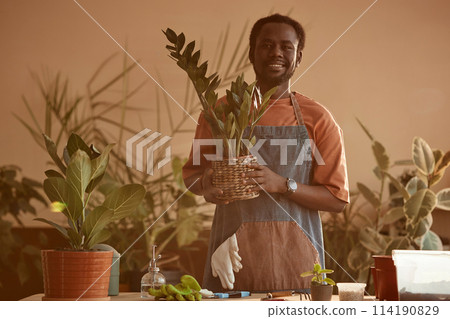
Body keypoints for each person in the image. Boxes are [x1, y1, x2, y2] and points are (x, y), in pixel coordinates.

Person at [182, 13, 349, 292]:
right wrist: (206, 186)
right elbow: (193, 177)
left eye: (286, 47)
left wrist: (283, 185)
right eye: (267, 44)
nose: (276, 53)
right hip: (231, 258)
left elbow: (337, 199)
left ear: (298, 58)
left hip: (298, 260)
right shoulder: (220, 112)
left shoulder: (318, 118)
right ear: (252, 53)